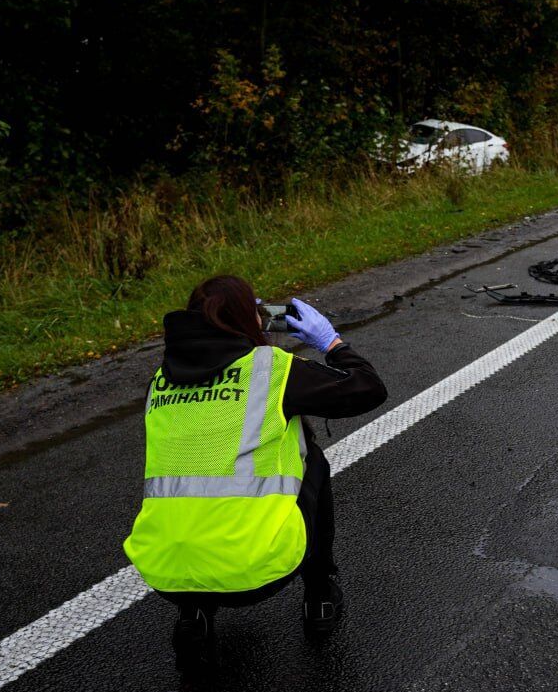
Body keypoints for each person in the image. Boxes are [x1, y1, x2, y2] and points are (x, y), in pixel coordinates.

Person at [123, 275, 387, 670]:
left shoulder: (158, 383)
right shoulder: (272, 370)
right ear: (252, 320)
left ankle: (192, 616)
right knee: (310, 458)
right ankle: (319, 594)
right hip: (259, 569)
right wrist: (331, 343)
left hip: (164, 573)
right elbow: (368, 389)